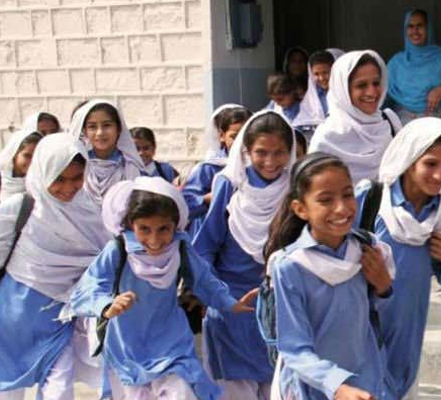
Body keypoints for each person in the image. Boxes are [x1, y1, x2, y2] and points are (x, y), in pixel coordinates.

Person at [0, 133, 110, 399]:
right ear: (43, 171)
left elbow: (105, 258)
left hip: (61, 317)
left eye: (76, 178)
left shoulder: (91, 211)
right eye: (59, 178)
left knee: (58, 390)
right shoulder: (20, 206)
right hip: (14, 313)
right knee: (3, 389)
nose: (68, 187)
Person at [69, 176, 257, 400]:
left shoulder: (180, 248)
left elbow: (204, 281)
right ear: (131, 225)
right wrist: (108, 306)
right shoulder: (118, 250)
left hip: (171, 343)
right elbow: (88, 288)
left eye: (163, 229)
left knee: (182, 393)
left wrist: (230, 302)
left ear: (175, 225)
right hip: (127, 347)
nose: (155, 239)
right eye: (145, 229)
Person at [355, 117, 441, 399]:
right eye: (430, 164)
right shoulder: (371, 201)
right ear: (409, 160)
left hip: (407, 336)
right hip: (361, 332)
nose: (440, 175)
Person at [264, 152, 395, 400]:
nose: (342, 208)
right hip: (314, 387)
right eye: (325, 200)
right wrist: (336, 385)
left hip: (364, 381)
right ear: (301, 209)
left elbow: (379, 316)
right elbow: (294, 348)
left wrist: (384, 287)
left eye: (347, 194)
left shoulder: (367, 251)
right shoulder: (290, 267)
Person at [192, 110, 295, 399]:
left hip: (279, 308)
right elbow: (205, 247)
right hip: (232, 308)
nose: (271, 161)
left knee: (277, 387)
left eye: (279, 153)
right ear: (246, 151)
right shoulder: (230, 185)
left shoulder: (295, 189)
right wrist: (215, 297)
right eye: (261, 152)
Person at [387, 9, 441, 189]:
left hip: (440, 141)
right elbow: (381, 99)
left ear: (429, 29)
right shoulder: (396, 64)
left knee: (440, 184)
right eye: (410, 27)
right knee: (409, 184)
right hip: (407, 141)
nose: (415, 31)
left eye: (420, 26)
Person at [309, 50, 402, 184]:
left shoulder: (390, 121)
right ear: (343, 90)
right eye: (361, 85)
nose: (372, 92)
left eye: (376, 83)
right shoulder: (327, 137)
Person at [182, 104, 252, 238]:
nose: (240, 142)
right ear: (222, 136)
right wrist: (206, 199)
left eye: (246, 136)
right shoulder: (209, 168)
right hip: (209, 235)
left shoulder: (260, 167)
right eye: (234, 136)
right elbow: (184, 205)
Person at [69, 99, 145, 204]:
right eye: (92, 127)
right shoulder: (78, 166)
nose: (100, 132)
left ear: (119, 129)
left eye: (107, 125)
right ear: (84, 131)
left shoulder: (130, 167)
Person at [291, 50, 336, 133]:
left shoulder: (343, 95)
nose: (321, 78)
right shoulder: (311, 97)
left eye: (325, 73)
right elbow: (301, 122)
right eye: (316, 74)